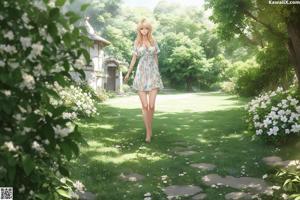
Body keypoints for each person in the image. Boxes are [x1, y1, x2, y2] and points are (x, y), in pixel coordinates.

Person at [124, 18, 164, 143]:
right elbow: (134, 59)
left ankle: (149, 129)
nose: (144, 30)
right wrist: (128, 73)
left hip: (153, 74)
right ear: (139, 30)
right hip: (141, 74)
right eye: (141, 28)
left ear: (149, 29)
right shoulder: (137, 42)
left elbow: (156, 58)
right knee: (145, 105)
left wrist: (158, 74)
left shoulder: (153, 41)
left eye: (146, 28)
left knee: (151, 105)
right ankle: (148, 132)